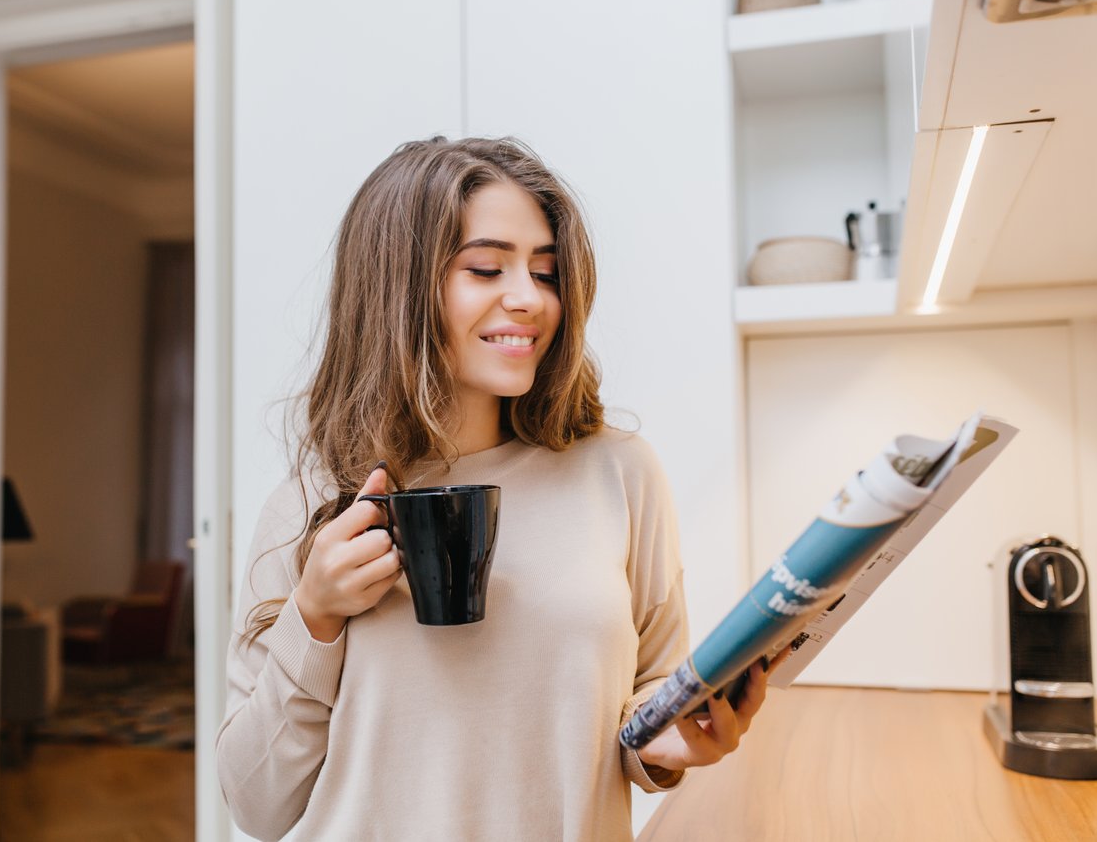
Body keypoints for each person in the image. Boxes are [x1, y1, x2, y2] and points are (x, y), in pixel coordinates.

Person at [217, 137, 780, 841]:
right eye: (486, 268)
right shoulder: (310, 507)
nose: (529, 299)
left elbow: (645, 712)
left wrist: (669, 748)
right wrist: (315, 615)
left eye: (545, 273)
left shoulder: (621, 474)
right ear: (398, 287)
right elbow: (256, 804)